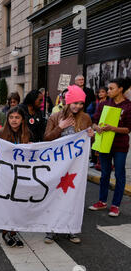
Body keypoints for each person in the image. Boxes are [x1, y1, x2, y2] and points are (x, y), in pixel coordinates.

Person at [44, 85, 95, 244]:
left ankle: (70, 228)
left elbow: (88, 142)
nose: (78, 106)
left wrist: (91, 136)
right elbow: (46, 139)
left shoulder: (86, 118)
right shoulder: (55, 116)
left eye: (81, 103)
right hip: (57, 165)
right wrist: (61, 126)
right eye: (75, 103)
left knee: (73, 196)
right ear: (68, 101)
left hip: (76, 166)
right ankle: (51, 230)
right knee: (54, 196)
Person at [89, 78, 131, 217]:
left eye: (111, 88)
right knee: (105, 173)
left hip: (120, 146)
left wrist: (112, 128)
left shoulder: (128, 106)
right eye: (108, 89)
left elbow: (128, 129)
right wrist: (97, 128)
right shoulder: (103, 104)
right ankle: (102, 201)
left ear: (120, 89)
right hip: (104, 144)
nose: (108, 91)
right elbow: (94, 122)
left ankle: (115, 205)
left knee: (119, 174)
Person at [0, 106, 32, 247]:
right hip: (6, 174)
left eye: (17, 117)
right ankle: (6, 232)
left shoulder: (28, 134)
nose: (14, 120)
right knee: (7, 204)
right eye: (11, 117)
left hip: (22, 175)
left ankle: (14, 231)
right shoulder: (1, 134)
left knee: (18, 204)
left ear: (22, 119)